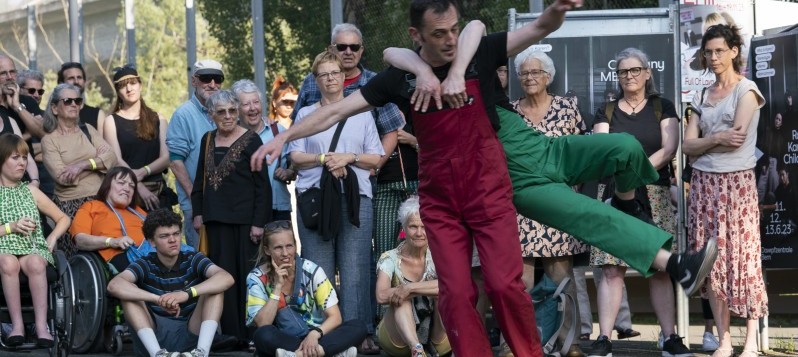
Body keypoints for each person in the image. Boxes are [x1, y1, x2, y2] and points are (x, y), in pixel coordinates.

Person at [253, 2, 717, 356]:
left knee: (625, 148)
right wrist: (285, 136)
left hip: (507, 165)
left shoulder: (473, 51)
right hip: (458, 191)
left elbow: (500, 29)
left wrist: (552, 15)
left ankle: (632, 202)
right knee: (465, 289)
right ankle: (669, 260)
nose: (450, 38)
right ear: (418, 35)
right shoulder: (401, 75)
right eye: (439, 34)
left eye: (453, 29)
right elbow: (338, 106)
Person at [590, 48, 691, 357]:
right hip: (614, 194)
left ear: (648, 73)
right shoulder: (605, 110)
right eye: (623, 72)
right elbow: (602, 150)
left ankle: (670, 338)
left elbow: (670, 147)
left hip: (655, 194)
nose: (629, 76)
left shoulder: (664, 106)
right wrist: (626, 178)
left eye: (635, 70)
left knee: (659, 269)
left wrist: (636, 172)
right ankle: (604, 339)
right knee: (611, 269)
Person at [289, 50, 383, 351]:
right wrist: (326, 159)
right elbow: (295, 158)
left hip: (356, 199)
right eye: (324, 74)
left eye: (335, 73)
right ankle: (320, 334)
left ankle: (358, 333)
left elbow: (376, 157)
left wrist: (350, 157)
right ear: (316, 80)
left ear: (344, 77)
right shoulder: (305, 115)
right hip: (316, 200)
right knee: (318, 269)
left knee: (355, 268)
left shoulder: (362, 113)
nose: (330, 78)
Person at [683, 24, 768, 357]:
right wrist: (713, 140)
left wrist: (707, 141)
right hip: (704, 186)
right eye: (708, 51)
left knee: (743, 261)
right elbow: (688, 147)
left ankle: (749, 342)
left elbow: (737, 138)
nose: (713, 57)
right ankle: (723, 341)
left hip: (736, 185)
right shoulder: (701, 94)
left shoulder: (747, 90)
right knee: (712, 263)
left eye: (719, 50)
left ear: (734, 51)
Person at [500, 49, 588, 357]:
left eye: (534, 72)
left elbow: (581, 153)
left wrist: (567, 192)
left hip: (558, 204)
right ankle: (515, 344)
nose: (528, 78)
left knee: (562, 280)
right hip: (521, 205)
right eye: (523, 73)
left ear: (547, 77)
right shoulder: (509, 111)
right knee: (518, 282)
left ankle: (570, 343)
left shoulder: (567, 108)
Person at [192, 89, 271, 344]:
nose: (227, 116)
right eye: (221, 112)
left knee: (248, 278)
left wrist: (259, 222)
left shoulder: (252, 140)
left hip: (247, 223)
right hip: (215, 222)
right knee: (221, 280)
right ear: (211, 115)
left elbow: (263, 187)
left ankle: (252, 335)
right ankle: (227, 335)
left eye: (232, 111)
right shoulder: (206, 139)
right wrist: (198, 213)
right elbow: (199, 182)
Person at [107, 209, 234, 357]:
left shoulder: (193, 258)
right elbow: (114, 285)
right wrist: (157, 299)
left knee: (215, 287)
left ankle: (201, 353)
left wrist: (186, 294)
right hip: (154, 338)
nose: (173, 240)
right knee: (128, 294)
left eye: (176, 234)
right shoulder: (145, 263)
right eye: (164, 236)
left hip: (191, 334)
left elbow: (226, 278)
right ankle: (158, 354)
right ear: (152, 242)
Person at [246, 220, 367, 357]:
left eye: (289, 246)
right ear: (267, 250)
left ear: (295, 246)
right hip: (284, 340)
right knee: (262, 335)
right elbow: (263, 323)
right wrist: (277, 287)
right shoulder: (256, 278)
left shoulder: (312, 271)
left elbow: (335, 317)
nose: (285, 253)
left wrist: (314, 334)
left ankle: (297, 355)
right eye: (278, 248)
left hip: (318, 336)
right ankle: (327, 353)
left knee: (359, 326)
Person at [0, 133, 70, 348]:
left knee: (36, 262)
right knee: (8, 262)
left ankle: (42, 327)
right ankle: (17, 326)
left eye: (24, 157)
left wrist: (52, 236)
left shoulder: (31, 191)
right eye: (15, 158)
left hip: (31, 247)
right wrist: (10, 227)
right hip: (3, 248)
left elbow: (63, 218)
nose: (22, 163)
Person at [41, 83, 117, 257]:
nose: (74, 104)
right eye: (67, 101)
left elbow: (112, 159)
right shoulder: (49, 140)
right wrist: (99, 165)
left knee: (107, 252)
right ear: (54, 108)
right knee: (77, 257)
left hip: (101, 200)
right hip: (70, 207)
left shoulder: (88, 130)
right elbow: (64, 178)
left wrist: (81, 165)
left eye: (77, 100)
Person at [376, 196, 450, 357]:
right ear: (404, 227)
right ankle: (417, 350)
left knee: (442, 295)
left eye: (424, 227)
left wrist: (409, 288)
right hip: (398, 340)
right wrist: (406, 293)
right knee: (399, 299)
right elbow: (381, 295)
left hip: (438, 337)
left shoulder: (439, 255)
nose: (419, 233)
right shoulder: (390, 257)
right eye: (413, 226)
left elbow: (451, 286)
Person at [166, 59, 223, 250]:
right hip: (197, 207)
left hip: (224, 204)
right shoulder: (183, 114)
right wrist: (196, 198)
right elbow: (175, 161)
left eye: (217, 79)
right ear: (194, 81)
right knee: (202, 262)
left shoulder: (227, 113)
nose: (212, 84)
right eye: (206, 78)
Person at [103, 66, 171, 212]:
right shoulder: (111, 121)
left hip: (157, 192)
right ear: (118, 92)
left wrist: (144, 171)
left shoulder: (159, 119)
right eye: (122, 85)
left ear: (140, 85)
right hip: (127, 193)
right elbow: (116, 160)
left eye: (133, 83)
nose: (129, 88)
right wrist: (138, 185)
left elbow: (166, 157)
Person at [232, 79, 294, 220]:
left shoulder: (279, 131)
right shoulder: (229, 137)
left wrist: (289, 172)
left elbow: (294, 163)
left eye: (256, 102)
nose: (253, 108)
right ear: (236, 108)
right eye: (246, 104)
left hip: (277, 207)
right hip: (243, 210)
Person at [69, 166, 147, 272]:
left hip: (153, 254)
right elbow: (80, 240)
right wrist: (112, 241)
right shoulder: (91, 206)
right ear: (108, 185)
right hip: (120, 258)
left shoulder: (139, 211)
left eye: (132, 186)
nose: (127, 189)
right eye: (121, 183)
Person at [0, 55, 45, 139]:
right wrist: (27, 134)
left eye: (12, 72)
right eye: (3, 73)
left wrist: (17, 106)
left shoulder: (28, 101)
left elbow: (44, 134)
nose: (9, 77)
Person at [57, 62, 106, 135]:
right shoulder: (54, 113)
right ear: (61, 83)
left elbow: (102, 145)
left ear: (84, 81)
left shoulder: (97, 115)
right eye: (71, 78)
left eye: (79, 77)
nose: (76, 81)